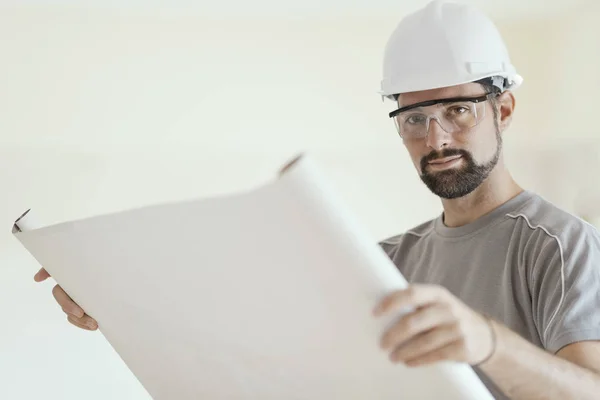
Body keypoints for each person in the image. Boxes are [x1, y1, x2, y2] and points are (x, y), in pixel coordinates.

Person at [33, 0, 600, 399]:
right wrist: (114, 300)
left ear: (502, 110)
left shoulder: (559, 243)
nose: (437, 138)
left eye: (458, 110)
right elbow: (249, 342)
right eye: (415, 118)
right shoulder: (389, 262)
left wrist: (487, 343)